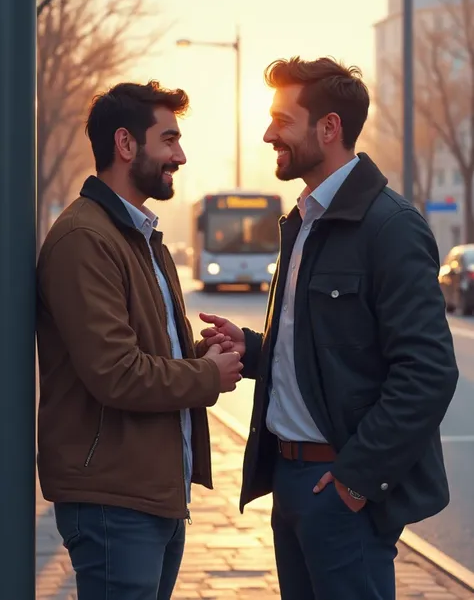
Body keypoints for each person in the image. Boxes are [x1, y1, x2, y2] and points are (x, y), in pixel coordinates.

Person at [200, 57, 458, 600]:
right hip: (292, 482)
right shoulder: (304, 221)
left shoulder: (390, 227)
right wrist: (250, 349)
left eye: (281, 120)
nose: (269, 133)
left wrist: (355, 481)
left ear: (329, 128)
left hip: (340, 488)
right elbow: (321, 351)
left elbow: (429, 372)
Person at [36, 81, 243, 600]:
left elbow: (146, 356)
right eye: (169, 139)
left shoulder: (137, 236)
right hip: (113, 500)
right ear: (126, 145)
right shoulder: (86, 238)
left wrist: (203, 355)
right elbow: (116, 372)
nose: (181, 154)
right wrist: (207, 376)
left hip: (150, 495)